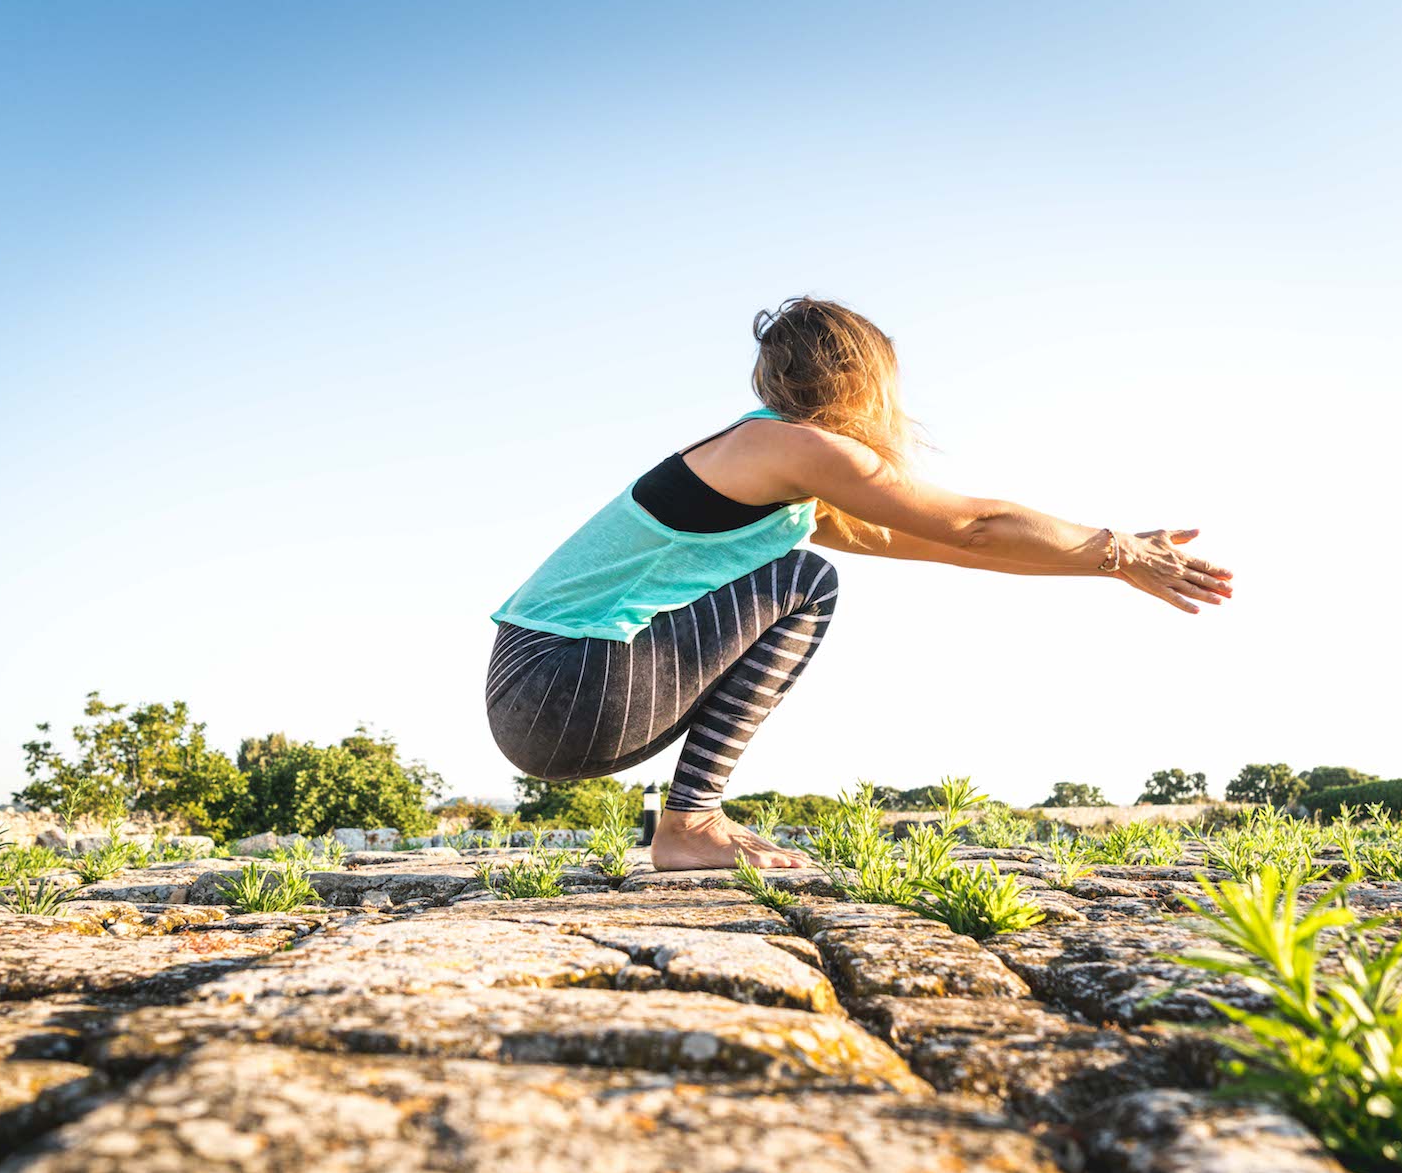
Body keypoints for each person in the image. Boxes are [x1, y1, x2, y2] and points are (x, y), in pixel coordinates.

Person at [485, 297, 1234, 871]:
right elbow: (973, 525)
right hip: (564, 684)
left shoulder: (773, 468)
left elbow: (954, 547)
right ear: (864, 380)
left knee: (804, 573)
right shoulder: (790, 447)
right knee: (807, 582)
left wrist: (1112, 564)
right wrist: (1117, 550)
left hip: (547, 696)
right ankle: (690, 826)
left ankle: (690, 822)